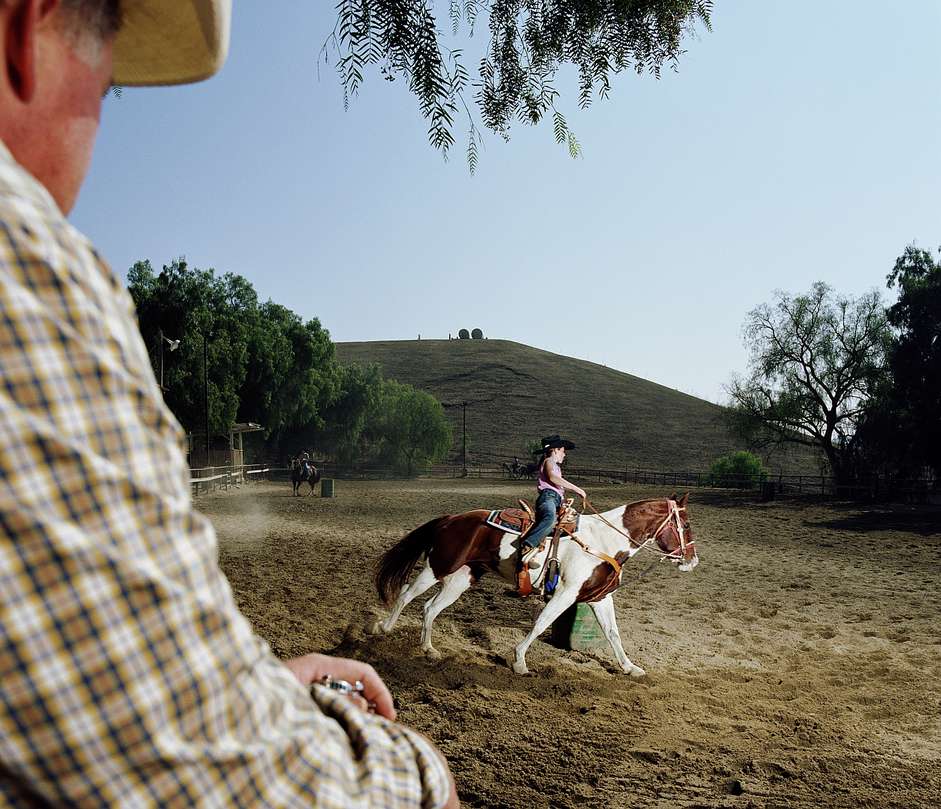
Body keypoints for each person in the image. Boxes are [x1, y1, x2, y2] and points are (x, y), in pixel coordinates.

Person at [0, 2, 457, 807]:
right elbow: (168, 761)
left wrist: (245, 682)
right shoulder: (24, 261)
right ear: (23, 32)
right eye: (106, 91)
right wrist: (421, 777)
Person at [520, 435, 587, 556]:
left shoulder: (555, 466)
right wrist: (577, 489)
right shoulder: (549, 461)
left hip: (555, 498)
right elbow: (552, 478)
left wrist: (562, 499)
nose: (564, 454)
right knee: (551, 519)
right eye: (563, 451)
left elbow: (557, 484)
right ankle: (528, 545)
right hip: (548, 497)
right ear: (555, 449)